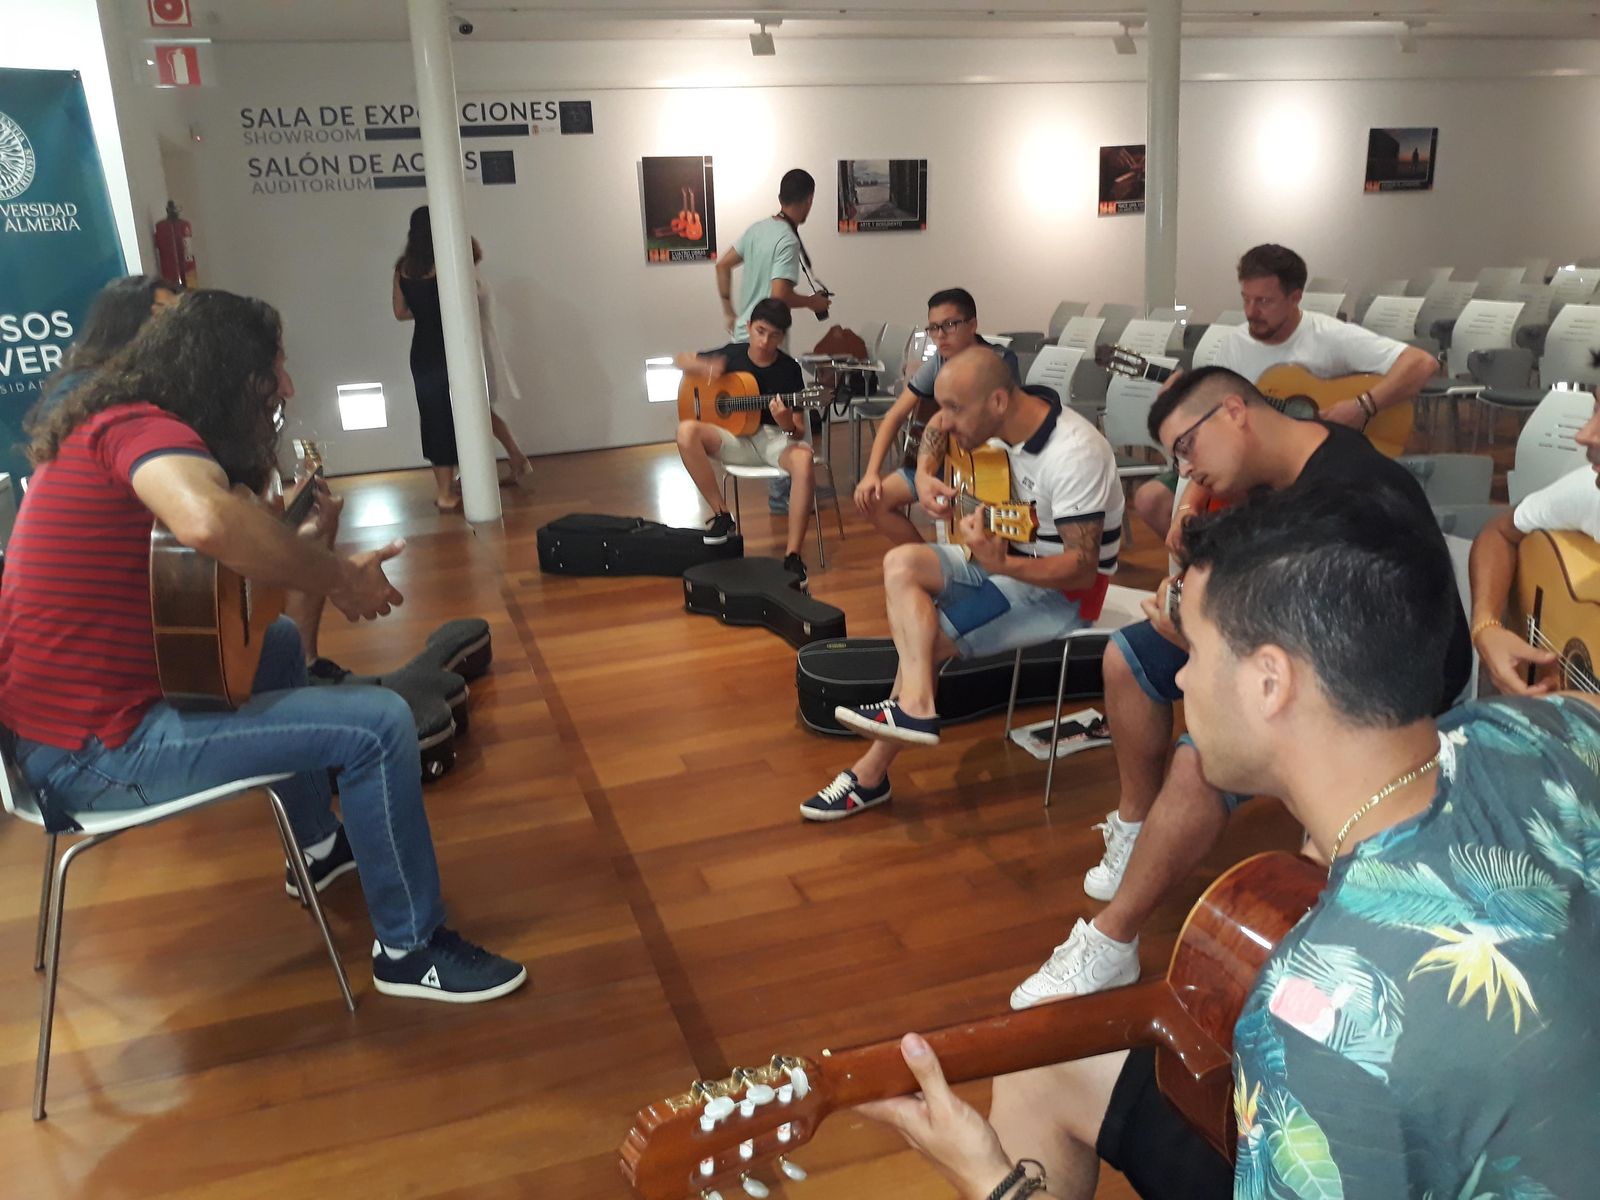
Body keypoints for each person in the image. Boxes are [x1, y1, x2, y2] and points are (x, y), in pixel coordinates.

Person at [862, 485, 1600, 1200]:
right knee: (1045, 1057)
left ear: (1271, 682)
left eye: (1199, 649)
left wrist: (989, 1181)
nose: (1181, 673)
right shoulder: (1547, 728)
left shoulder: (1321, 1016)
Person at [0, 289, 526, 1003]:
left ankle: (315, 847)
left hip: (53, 738)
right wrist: (337, 577)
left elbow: (209, 598)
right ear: (222, 371)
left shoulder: (109, 419)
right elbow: (207, 524)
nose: (286, 386)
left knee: (277, 644)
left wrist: (294, 550)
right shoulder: (136, 429)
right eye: (271, 369)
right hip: (91, 757)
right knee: (379, 727)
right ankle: (412, 949)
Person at [1009, 365, 1472, 1009]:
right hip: (1292, 646)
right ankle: (1135, 828)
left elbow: (1327, 646)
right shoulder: (1273, 474)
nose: (1185, 471)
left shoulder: (1355, 491)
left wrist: (1193, 630)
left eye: (1186, 449)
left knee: (1200, 757)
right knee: (1126, 658)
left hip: (1387, 686)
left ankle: (1112, 939)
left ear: (1234, 412)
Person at [800, 346, 1123, 821]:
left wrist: (1004, 565)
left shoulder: (1074, 454)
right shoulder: (1010, 415)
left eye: (955, 410)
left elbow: (1082, 569)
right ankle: (916, 705)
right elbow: (933, 426)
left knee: (925, 642)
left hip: (1060, 591)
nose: (944, 421)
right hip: (1004, 558)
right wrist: (927, 475)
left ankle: (870, 775)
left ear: (996, 402)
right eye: (944, 406)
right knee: (901, 563)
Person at [1129, 243, 1436, 539]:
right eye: (1246, 299)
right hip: (1248, 463)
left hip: (1310, 469)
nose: (1251, 311)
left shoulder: (1328, 335)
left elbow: (1421, 363)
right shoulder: (1235, 345)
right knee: (1153, 499)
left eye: (1264, 301)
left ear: (1295, 298)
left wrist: (1363, 405)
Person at [392, 207, 535, 510]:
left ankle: (446, 490)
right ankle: (475, 477)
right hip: (454, 348)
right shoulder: (448, 264)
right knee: (468, 411)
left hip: (422, 350)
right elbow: (463, 304)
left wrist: (425, 313)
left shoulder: (402, 268)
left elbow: (400, 312)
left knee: (434, 417)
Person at [853, 288, 1021, 546]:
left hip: (983, 469)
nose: (940, 336)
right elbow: (895, 415)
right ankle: (931, 560)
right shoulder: (939, 362)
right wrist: (871, 473)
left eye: (950, 325)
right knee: (873, 500)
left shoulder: (998, 363)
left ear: (973, 324)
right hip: (940, 464)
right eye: (933, 328)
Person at [674, 297, 816, 586]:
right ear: (749, 327)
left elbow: (798, 430)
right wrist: (703, 366)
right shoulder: (732, 354)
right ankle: (722, 516)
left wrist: (785, 420)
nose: (765, 341)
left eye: (775, 335)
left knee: (803, 459)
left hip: (772, 439)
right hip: (733, 438)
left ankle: (792, 556)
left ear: (783, 336)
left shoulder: (789, 370)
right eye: (761, 331)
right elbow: (680, 359)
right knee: (686, 431)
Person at [1468, 390, 1600, 694]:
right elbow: (1499, 534)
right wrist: (1486, 626)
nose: (1583, 435)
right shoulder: (1591, 492)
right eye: (1595, 409)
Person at [31, 274, 179, 419]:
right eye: (162, 313)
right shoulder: (80, 389)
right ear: (126, 322)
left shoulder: (164, 376)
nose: (174, 324)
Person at [715, 168, 830, 341]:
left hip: (742, 337)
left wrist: (729, 313)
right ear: (809, 200)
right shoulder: (788, 240)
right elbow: (779, 297)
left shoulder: (756, 230)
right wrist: (812, 302)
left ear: (780, 198)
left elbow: (722, 265)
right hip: (766, 345)